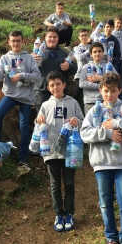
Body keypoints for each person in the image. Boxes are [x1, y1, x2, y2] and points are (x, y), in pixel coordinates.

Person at [80, 73, 122, 244]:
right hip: (102, 164)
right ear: (100, 90)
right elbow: (85, 134)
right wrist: (108, 134)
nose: (109, 95)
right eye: (106, 91)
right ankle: (111, 237)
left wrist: (118, 124)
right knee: (105, 204)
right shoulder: (95, 111)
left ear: (120, 91)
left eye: (113, 91)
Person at [0, 30, 41, 174]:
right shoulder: (4, 58)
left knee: (24, 127)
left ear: (23, 42)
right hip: (10, 95)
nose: (15, 43)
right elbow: (1, 76)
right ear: (9, 42)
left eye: (18, 40)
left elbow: (37, 76)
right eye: (13, 41)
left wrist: (22, 75)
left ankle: (23, 158)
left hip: (26, 98)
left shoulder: (29, 58)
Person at [35, 71, 84, 232]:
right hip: (51, 151)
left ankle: (70, 213)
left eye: (58, 84)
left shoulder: (73, 103)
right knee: (55, 185)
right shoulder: (45, 105)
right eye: (52, 85)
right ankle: (59, 214)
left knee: (69, 184)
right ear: (48, 88)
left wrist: (77, 122)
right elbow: (38, 128)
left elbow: (83, 123)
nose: (55, 87)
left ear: (64, 85)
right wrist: (38, 121)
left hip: (70, 151)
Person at [32, 26, 77, 113]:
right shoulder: (37, 53)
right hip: (42, 91)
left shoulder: (64, 53)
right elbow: (28, 69)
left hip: (60, 92)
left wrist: (69, 66)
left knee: (60, 120)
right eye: (50, 36)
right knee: (42, 121)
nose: (52, 39)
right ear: (45, 38)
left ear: (58, 38)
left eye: (54, 37)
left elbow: (75, 69)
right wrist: (32, 61)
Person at [79, 42, 118, 115]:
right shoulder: (86, 67)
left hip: (106, 100)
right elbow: (82, 83)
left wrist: (100, 78)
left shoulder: (109, 66)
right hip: (90, 101)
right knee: (91, 125)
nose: (97, 54)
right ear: (91, 54)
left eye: (99, 51)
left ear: (103, 53)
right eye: (95, 52)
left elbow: (116, 79)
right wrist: (101, 87)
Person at [72, 28, 93, 102]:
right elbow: (79, 57)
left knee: (90, 95)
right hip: (80, 74)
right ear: (79, 37)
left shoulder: (93, 47)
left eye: (86, 35)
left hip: (91, 74)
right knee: (77, 95)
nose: (84, 37)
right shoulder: (77, 48)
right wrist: (89, 51)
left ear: (88, 36)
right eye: (82, 35)